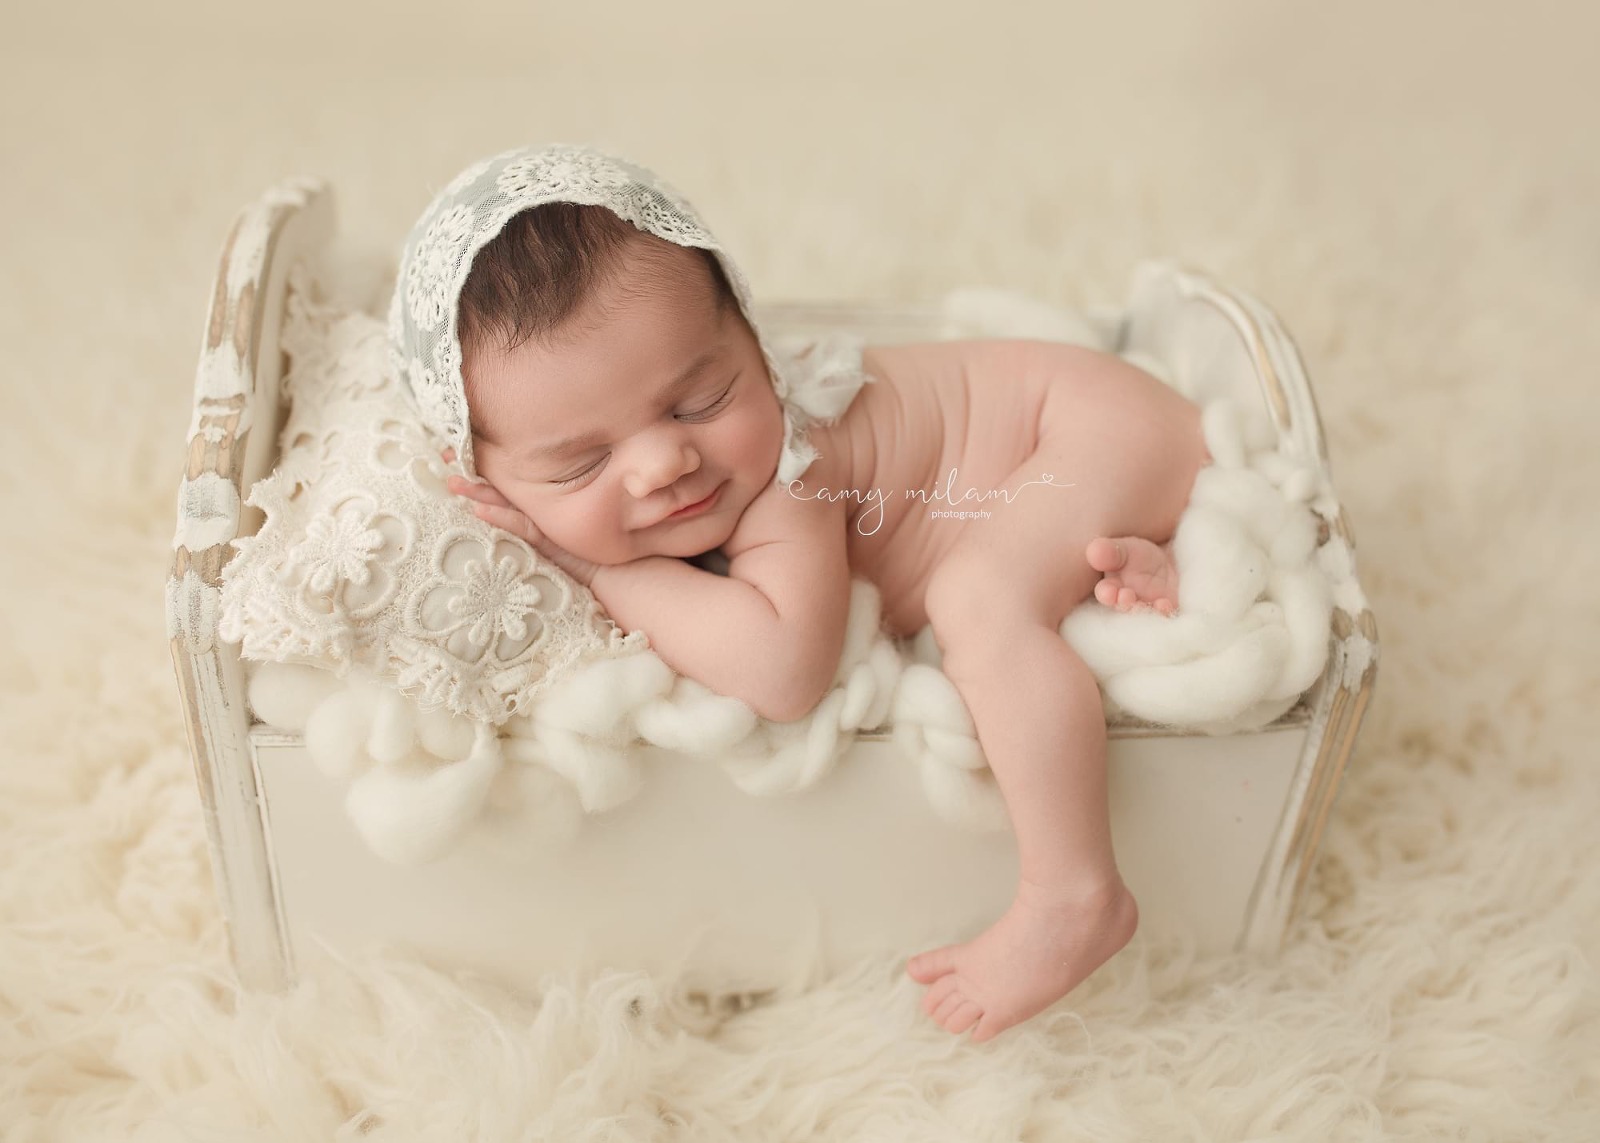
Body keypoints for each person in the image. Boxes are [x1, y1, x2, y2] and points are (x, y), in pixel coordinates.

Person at [391, 143, 1211, 1044]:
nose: (666, 462)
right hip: (1077, 469)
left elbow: (784, 669)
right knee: (1006, 573)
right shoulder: (693, 461)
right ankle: (1148, 558)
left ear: (752, 338)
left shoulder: (794, 466)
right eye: (584, 463)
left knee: (980, 597)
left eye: (702, 399)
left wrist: (596, 565)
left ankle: (1075, 894)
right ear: (486, 475)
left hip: (1097, 427)